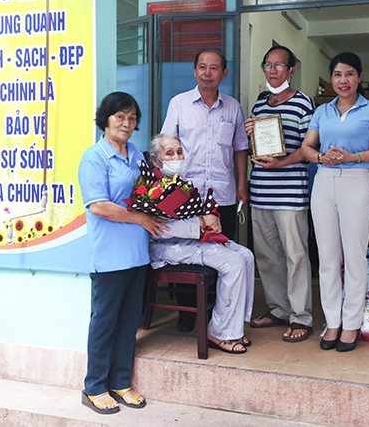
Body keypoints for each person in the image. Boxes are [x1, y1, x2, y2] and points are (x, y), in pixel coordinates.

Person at [78, 92, 167, 414]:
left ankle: (119, 382)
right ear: (105, 119)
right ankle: (94, 387)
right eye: (120, 117)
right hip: (109, 256)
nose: (126, 124)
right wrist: (140, 217)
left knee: (130, 322)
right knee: (105, 322)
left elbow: (150, 192)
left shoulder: (137, 156)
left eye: (132, 118)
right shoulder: (94, 157)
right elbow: (99, 205)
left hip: (137, 254)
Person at [300, 52, 369, 353]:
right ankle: (332, 322)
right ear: (332, 79)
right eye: (338, 75)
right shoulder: (322, 111)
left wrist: (353, 157)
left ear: (360, 77)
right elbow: (306, 146)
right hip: (324, 182)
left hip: (357, 181)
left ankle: (351, 324)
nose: (344, 80)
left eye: (350, 74)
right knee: (327, 258)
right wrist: (319, 157)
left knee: (354, 257)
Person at [161, 49, 249, 332]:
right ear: (195, 71)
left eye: (214, 68)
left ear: (224, 73)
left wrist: (241, 185)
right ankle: (188, 315)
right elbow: (166, 145)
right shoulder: (179, 103)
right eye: (202, 67)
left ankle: (216, 312)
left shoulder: (233, 108)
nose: (207, 73)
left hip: (222, 194)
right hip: (186, 195)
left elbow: (240, 149)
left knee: (223, 254)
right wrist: (166, 189)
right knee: (188, 253)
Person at [148, 134, 255, 354]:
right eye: (169, 153)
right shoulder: (150, 188)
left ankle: (235, 326)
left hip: (188, 241)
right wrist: (201, 223)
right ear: (156, 160)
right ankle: (219, 332)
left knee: (245, 255)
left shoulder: (180, 183)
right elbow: (159, 228)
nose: (177, 157)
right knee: (233, 262)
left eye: (179, 151)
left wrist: (208, 222)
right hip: (165, 248)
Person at [245, 45, 315, 342]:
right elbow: (256, 149)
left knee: (295, 256)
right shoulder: (260, 107)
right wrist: (251, 138)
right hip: (261, 192)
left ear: (291, 71)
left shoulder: (303, 104)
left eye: (279, 66)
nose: (273, 71)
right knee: (268, 256)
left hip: (290, 194)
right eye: (268, 65)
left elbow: (310, 148)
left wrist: (282, 162)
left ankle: (301, 316)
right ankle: (278, 309)